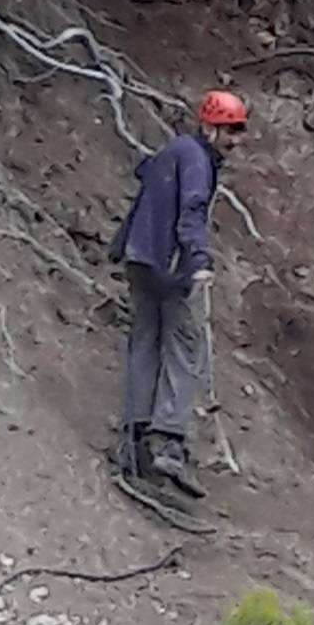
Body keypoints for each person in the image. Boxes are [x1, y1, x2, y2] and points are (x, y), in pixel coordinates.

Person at [111, 90, 248, 495]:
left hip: (140, 258)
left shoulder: (173, 150)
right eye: (230, 131)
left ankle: (134, 442)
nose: (235, 140)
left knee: (145, 341)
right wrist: (199, 260)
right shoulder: (196, 160)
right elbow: (191, 208)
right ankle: (168, 442)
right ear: (209, 126)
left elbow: (143, 197)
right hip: (170, 263)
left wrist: (123, 247)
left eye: (239, 131)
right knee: (185, 345)